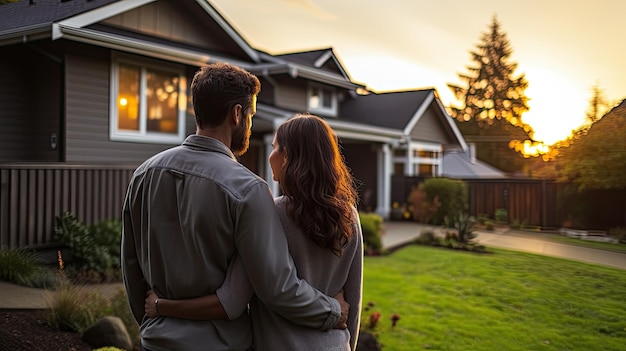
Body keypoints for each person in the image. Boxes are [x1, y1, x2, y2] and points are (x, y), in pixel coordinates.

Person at [121, 63, 348, 351]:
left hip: (155, 342)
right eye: (251, 115)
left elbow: (131, 268)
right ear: (237, 114)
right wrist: (332, 311)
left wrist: (153, 321)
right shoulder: (248, 189)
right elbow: (278, 288)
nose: (250, 125)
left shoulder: (142, 175)